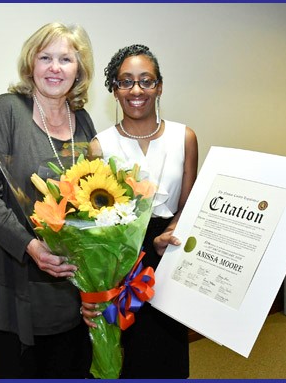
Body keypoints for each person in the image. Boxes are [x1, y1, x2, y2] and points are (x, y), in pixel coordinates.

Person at [0, 22, 96, 379]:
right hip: (11, 271)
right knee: (17, 369)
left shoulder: (83, 122)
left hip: (66, 280)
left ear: (79, 69)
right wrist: (33, 248)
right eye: (45, 57)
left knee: (68, 366)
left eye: (66, 59)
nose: (55, 67)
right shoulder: (7, 111)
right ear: (30, 63)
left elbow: (97, 199)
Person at [83, 44, 199, 379]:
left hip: (171, 257)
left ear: (159, 86)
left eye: (146, 81)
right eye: (126, 82)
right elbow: (93, 220)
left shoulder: (184, 137)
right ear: (115, 90)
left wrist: (169, 234)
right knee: (128, 357)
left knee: (169, 358)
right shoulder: (100, 145)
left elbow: (188, 204)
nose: (137, 90)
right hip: (122, 264)